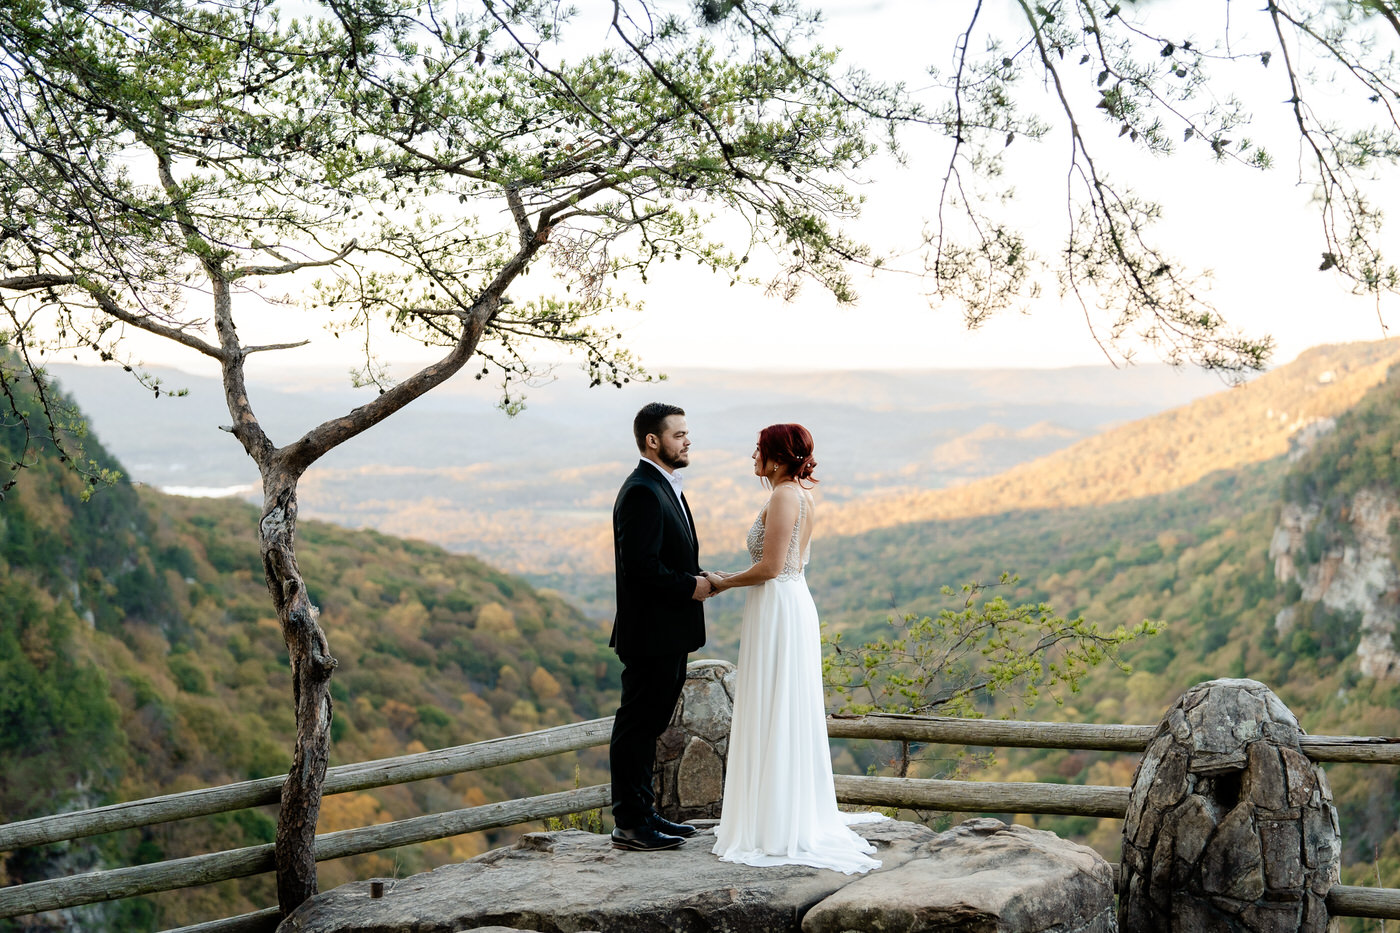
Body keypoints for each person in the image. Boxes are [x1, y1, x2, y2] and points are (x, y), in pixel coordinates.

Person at [706, 423, 885, 873]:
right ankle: (776, 813)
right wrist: (726, 577)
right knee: (779, 705)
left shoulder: (785, 496)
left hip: (779, 606)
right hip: (784, 602)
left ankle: (776, 823)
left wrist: (720, 584)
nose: (753, 456)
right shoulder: (796, 495)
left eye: (759, 450)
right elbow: (777, 564)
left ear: (778, 457)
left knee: (777, 705)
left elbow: (769, 567)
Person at [607, 402, 713, 851]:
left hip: (667, 633)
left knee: (647, 728)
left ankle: (645, 814)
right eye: (678, 435)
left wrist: (702, 577)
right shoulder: (642, 491)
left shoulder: (665, 485)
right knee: (635, 727)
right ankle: (630, 823)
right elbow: (642, 568)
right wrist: (692, 587)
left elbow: (670, 556)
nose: (687, 440)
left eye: (687, 434)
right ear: (653, 441)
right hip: (650, 635)